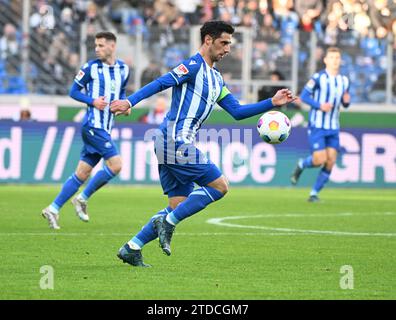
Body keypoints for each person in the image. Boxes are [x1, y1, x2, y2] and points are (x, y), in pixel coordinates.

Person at [110, 20, 295, 267]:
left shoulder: (217, 79)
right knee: (220, 186)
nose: (228, 48)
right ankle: (169, 223)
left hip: (168, 143)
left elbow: (237, 111)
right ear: (208, 39)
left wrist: (271, 102)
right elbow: (162, 82)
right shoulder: (193, 65)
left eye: (230, 43)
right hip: (174, 141)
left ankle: (132, 247)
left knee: (178, 205)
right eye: (223, 42)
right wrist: (130, 102)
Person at [41, 31, 130, 229]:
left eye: (100, 45)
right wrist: (92, 101)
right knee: (116, 165)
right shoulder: (90, 68)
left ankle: (53, 208)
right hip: (93, 126)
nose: (96, 49)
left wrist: (124, 105)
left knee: (82, 173)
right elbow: (73, 91)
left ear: (112, 46)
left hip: (106, 127)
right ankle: (82, 198)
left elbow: (122, 92)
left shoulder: (124, 68)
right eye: (95, 45)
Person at [290, 47, 350, 202]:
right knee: (319, 160)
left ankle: (314, 194)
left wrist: (346, 102)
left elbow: (345, 101)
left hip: (334, 127)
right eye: (331, 57)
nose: (335, 60)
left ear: (340, 60)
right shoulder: (318, 78)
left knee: (331, 161)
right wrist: (319, 105)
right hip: (318, 125)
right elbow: (303, 96)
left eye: (337, 58)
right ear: (325, 60)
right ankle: (302, 164)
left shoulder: (344, 81)